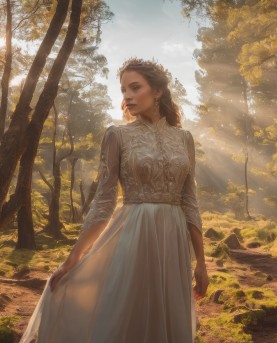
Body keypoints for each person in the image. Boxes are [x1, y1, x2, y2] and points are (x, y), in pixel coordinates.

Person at [19, 58, 209, 343]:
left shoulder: (184, 138)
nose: (128, 96)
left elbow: (190, 201)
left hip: (173, 241)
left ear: (157, 91)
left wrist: (201, 263)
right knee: (124, 319)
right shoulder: (117, 135)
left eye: (135, 88)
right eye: (123, 90)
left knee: (167, 320)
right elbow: (104, 201)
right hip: (132, 236)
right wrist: (73, 260)